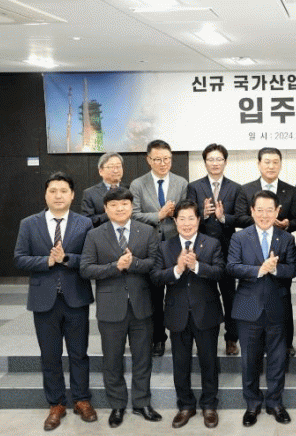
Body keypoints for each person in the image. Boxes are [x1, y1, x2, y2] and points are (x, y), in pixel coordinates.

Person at [14, 172, 96, 431]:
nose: (58, 195)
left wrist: (66, 258)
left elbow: (91, 259)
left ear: (72, 195)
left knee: (79, 353)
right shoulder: (29, 223)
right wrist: (47, 261)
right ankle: (56, 404)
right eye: (53, 191)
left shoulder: (84, 223)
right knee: (49, 355)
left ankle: (81, 400)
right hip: (43, 299)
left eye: (63, 191)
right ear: (45, 194)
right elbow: (19, 258)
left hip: (76, 298)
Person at [80, 187, 162, 428]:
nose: (119, 209)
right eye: (114, 205)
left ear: (131, 206)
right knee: (112, 360)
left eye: (124, 204)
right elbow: (85, 269)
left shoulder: (147, 231)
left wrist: (133, 263)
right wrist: (115, 266)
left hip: (141, 306)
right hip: (110, 307)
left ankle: (142, 403)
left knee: (143, 358)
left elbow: (154, 264)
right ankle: (117, 405)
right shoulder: (94, 235)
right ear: (106, 209)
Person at [151, 199, 226, 429]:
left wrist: (196, 267)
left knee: (208, 362)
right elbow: (155, 277)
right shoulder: (165, 246)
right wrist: (177, 269)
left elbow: (220, 272)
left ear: (198, 219)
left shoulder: (212, 243)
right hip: (177, 313)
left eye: (190, 218)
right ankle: (185, 405)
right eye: (181, 219)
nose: (186, 223)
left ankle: (209, 405)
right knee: (180, 363)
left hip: (206, 313)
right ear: (175, 221)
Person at [228, 190, 296, 427]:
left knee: (278, 359)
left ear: (278, 211)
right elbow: (232, 267)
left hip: (277, 306)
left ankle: (275, 403)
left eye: (270, 210)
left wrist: (275, 269)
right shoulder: (239, 237)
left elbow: (293, 269)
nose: (264, 215)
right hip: (248, 307)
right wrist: (259, 269)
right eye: (260, 210)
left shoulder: (286, 239)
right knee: (249, 360)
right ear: (252, 211)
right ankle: (252, 404)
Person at [235, 147, 296, 356]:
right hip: (252, 246)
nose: (271, 166)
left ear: (280, 164)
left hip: (279, 244)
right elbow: (239, 217)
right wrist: (263, 222)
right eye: (267, 162)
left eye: (275, 162)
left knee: (281, 299)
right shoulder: (246, 189)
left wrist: (286, 224)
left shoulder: (291, 190)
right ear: (259, 164)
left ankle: (286, 343)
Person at [130, 139, 188, 357]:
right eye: (158, 159)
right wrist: (159, 215)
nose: (163, 163)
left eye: (167, 159)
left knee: (176, 293)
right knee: (154, 295)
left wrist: (175, 214)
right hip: (148, 246)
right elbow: (133, 215)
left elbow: (187, 211)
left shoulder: (181, 183)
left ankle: (180, 335)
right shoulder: (138, 184)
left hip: (174, 245)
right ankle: (158, 338)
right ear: (148, 160)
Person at [186, 143, 242, 356]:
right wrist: (203, 213)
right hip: (202, 250)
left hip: (227, 249)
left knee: (230, 295)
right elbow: (187, 215)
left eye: (219, 159)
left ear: (225, 162)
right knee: (204, 294)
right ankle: (204, 336)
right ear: (205, 162)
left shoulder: (235, 187)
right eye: (211, 159)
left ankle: (231, 338)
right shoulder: (194, 187)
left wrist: (223, 217)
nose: (215, 163)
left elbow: (241, 218)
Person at [81, 152, 125, 227]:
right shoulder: (90, 193)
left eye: (118, 166)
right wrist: (108, 215)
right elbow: (87, 220)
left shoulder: (130, 189)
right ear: (100, 171)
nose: (116, 171)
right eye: (111, 167)